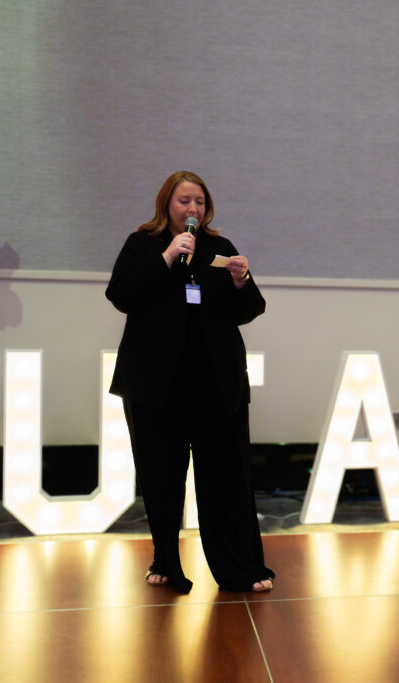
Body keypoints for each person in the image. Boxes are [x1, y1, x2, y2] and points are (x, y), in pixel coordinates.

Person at [107, 171, 274, 594]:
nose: (193, 210)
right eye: (184, 201)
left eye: (199, 202)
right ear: (167, 203)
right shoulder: (142, 244)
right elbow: (121, 295)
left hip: (216, 387)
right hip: (155, 388)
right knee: (161, 477)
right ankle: (166, 561)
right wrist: (166, 257)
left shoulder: (221, 248)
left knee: (224, 478)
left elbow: (251, 309)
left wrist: (241, 280)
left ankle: (239, 566)